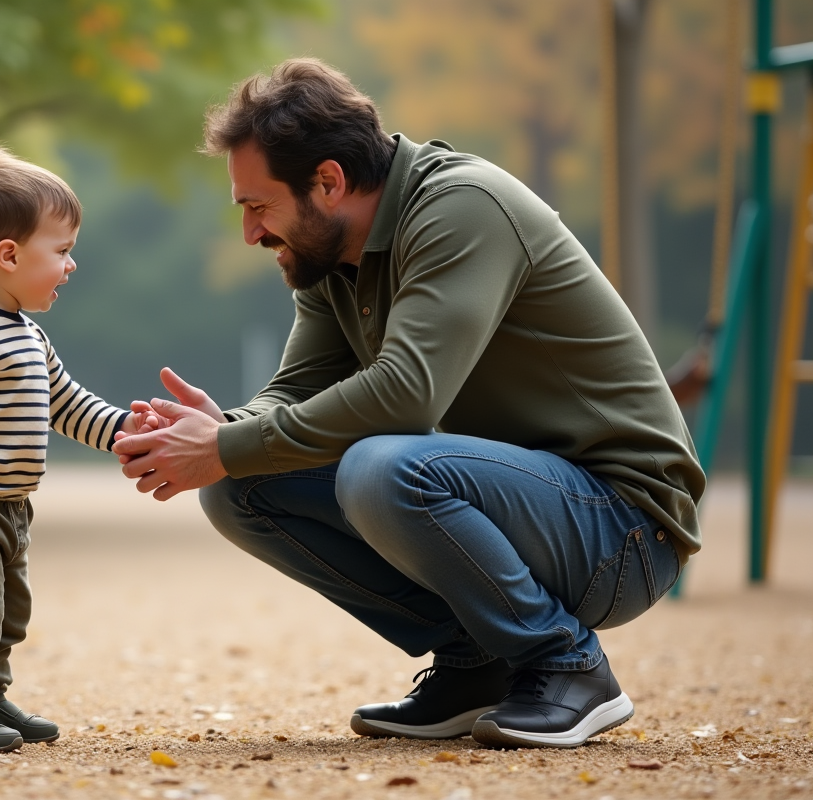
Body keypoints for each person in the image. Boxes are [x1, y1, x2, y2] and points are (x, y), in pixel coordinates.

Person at [112, 59, 705, 750]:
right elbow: (294, 394)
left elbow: (406, 394)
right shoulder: (332, 257)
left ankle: (565, 665)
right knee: (241, 485)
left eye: (257, 206)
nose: (251, 233)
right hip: (525, 505)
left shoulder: (462, 208)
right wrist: (220, 433)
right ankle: (476, 663)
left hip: (625, 529)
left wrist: (223, 446)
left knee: (383, 467)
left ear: (328, 182)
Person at [0, 141, 160, 753]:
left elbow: (66, 404)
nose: (71, 266)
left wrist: (124, 429)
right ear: (8, 255)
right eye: (62, 252)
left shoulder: (27, 334)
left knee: (7, 611)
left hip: (5, 505)